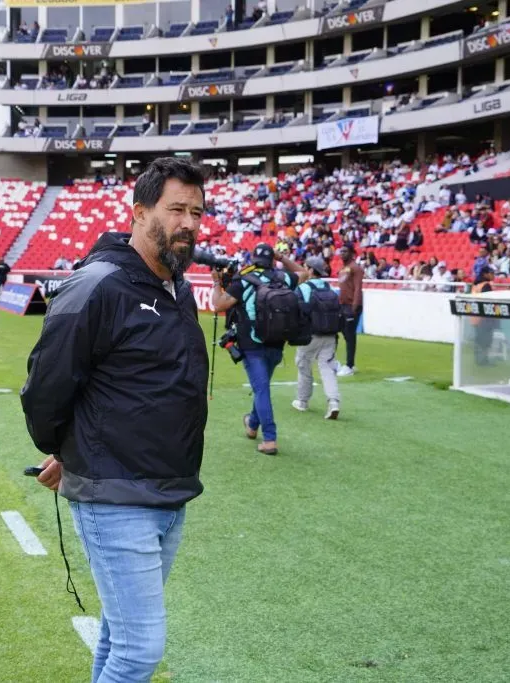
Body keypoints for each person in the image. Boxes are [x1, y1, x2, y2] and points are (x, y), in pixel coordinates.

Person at [21, 157, 209, 683]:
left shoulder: (179, 289)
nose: (188, 223)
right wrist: (67, 450)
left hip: (170, 490)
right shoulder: (98, 285)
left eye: (197, 212)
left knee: (117, 638)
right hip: (116, 491)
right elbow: (46, 386)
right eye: (176, 209)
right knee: (140, 651)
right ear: (139, 211)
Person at [210, 241, 303, 455]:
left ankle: (270, 439)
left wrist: (216, 283)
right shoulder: (283, 278)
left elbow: (219, 305)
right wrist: (282, 258)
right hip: (277, 343)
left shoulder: (243, 279)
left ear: (253, 259)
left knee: (261, 389)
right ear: (272, 260)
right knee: (262, 386)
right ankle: (252, 424)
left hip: (252, 344)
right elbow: (303, 272)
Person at [292, 256, 341, 419]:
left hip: (310, 335)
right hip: (330, 335)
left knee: (303, 365)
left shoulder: (304, 288)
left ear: (311, 270)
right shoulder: (329, 287)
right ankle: (333, 402)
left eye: (305, 266)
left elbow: (296, 309)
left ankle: (303, 401)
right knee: (327, 368)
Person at [335, 244, 363, 377]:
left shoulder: (355, 268)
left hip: (351, 305)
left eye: (345, 251)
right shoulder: (343, 269)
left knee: (350, 335)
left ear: (352, 253)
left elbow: (358, 287)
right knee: (342, 332)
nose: (342, 253)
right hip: (342, 305)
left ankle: (349, 366)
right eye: (341, 251)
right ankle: (342, 363)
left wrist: (355, 306)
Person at [470, 267, 497, 365]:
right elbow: (488, 302)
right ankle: (483, 360)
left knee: (479, 339)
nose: (493, 275)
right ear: (485, 274)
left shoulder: (475, 285)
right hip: (484, 317)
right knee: (486, 340)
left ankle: (479, 359)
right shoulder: (486, 285)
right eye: (492, 273)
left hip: (474, 315)